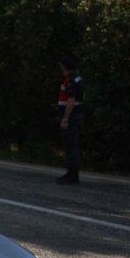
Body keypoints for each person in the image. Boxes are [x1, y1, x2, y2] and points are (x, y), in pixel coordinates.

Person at [55, 55, 85, 185]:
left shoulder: (70, 80)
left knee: (70, 144)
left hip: (72, 116)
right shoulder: (79, 78)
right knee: (72, 144)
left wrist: (65, 118)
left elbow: (71, 99)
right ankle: (71, 173)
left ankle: (72, 175)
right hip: (77, 115)